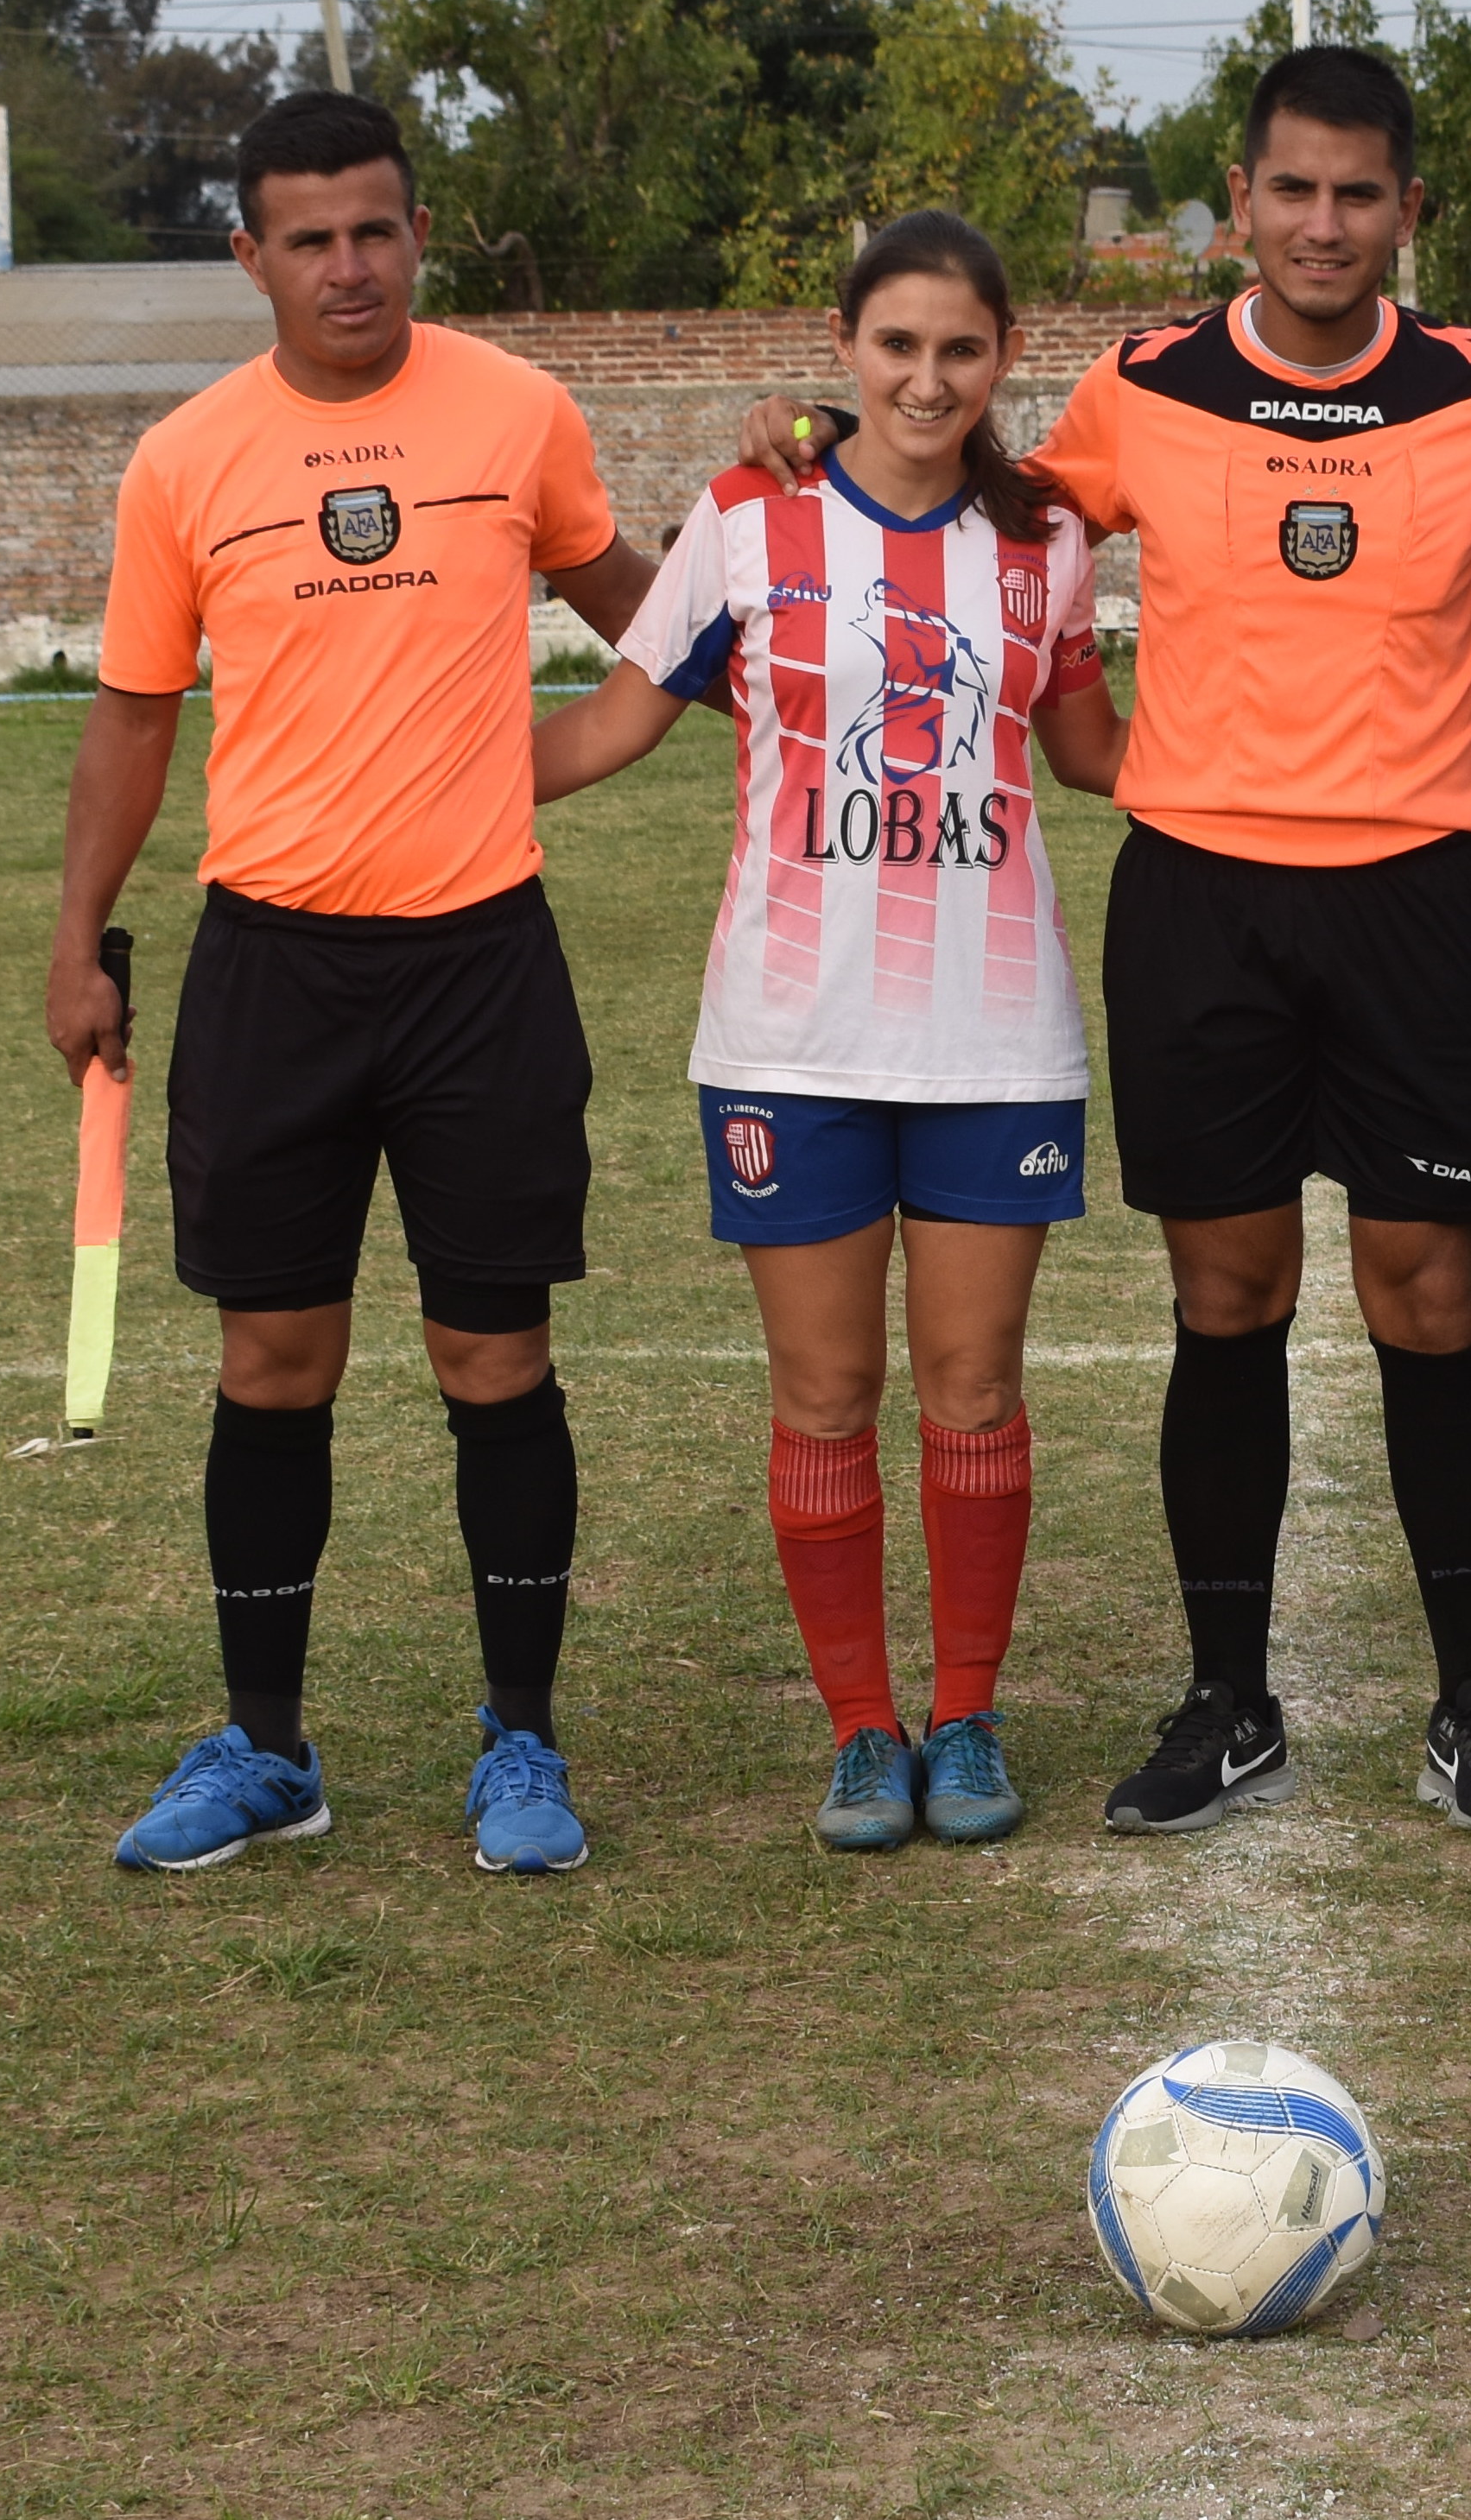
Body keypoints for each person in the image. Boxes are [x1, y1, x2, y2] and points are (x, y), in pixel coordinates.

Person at [741, 46, 1471, 1838]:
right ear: (1239, 199)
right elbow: (992, 501)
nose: (1321, 224)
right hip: (1202, 902)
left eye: (1358, 193)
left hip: (1411, 903)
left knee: (1426, 1296)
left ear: (1405, 211)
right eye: (1290, 189)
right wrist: (817, 441)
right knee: (1228, 1297)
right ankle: (1224, 1696)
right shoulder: (1144, 384)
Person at [54, 89, 657, 1879]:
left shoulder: (514, 413)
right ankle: (264, 1745)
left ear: (417, 235)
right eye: (307, 237)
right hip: (272, 967)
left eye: (374, 228)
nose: (346, 264)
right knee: (272, 1354)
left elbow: (655, 624)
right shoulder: (184, 460)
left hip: (479, 960)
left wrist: (522, 762)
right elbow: (132, 712)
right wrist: (77, 932)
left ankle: (521, 1743)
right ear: (249, 256)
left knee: (494, 1351)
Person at [536, 212, 1125, 1852]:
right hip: (788, 1037)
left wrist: (1301, 784)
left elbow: (1091, 754)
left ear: (1005, 359)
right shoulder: (746, 515)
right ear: (846, 348)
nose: (927, 379)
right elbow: (615, 720)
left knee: (974, 1385)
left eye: (961, 349)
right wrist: (424, 778)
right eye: (896, 346)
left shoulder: (1052, 540)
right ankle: (864, 1733)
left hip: (995, 1035)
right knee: (822, 1392)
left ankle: (967, 1714)